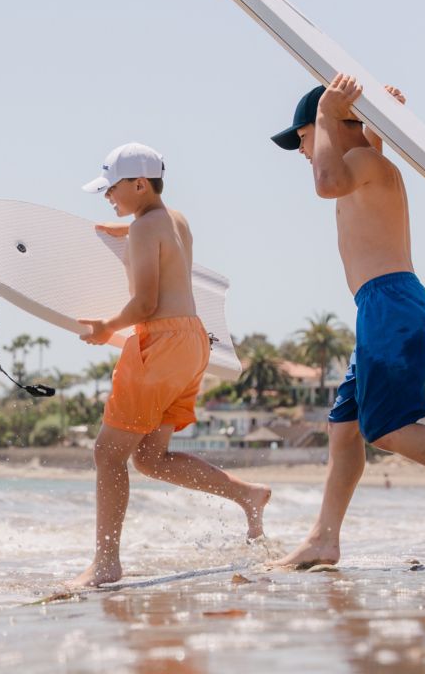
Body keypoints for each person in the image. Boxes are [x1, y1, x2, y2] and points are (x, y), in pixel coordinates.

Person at [267, 75, 425, 569]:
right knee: (344, 427)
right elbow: (365, 142)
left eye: (302, 139)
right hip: (380, 306)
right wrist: (377, 112)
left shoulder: (361, 164)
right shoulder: (366, 156)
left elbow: (326, 182)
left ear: (331, 128)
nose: (303, 150)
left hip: (389, 304)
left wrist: (325, 112)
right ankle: (324, 539)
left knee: (384, 426)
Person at [70, 143, 272, 587]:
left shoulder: (145, 228)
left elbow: (145, 302)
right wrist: (127, 232)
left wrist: (106, 326)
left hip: (159, 342)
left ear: (139, 183)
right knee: (150, 457)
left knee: (107, 453)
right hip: (193, 341)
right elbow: (167, 248)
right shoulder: (175, 219)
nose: (108, 198)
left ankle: (105, 563)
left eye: (112, 189)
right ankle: (248, 496)